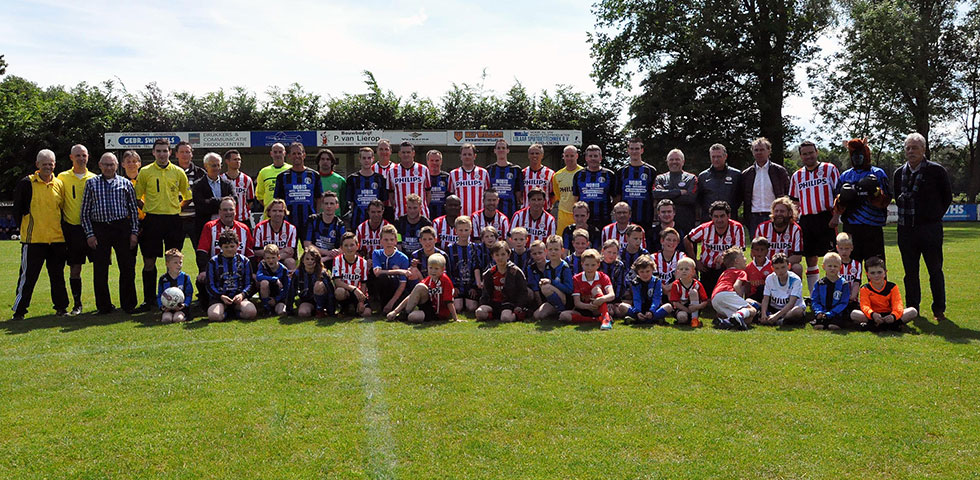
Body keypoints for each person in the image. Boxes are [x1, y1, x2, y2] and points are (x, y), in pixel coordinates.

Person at [894, 132, 952, 322]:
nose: (911, 151)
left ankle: (939, 310)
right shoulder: (898, 174)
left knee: (935, 270)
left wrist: (933, 216)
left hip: (930, 229)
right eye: (908, 148)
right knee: (910, 273)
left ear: (923, 149)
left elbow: (947, 197)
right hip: (906, 230)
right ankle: (913, 309)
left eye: (915, 148)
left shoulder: (936, 171)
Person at [11, 149, 69, 320]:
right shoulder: (26, 183)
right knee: (28, 277)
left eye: (50, 164)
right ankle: (19, 311)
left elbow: (62, 209)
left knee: (58, 277)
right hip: (33, 240)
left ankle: (61, 308)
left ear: (55, 165)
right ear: (37, 165)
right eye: (44, 164)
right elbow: (17, 211)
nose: (48, 167)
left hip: (57, 239)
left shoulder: (59, 184)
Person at [135, 138, 192, 311]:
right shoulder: (144, 172)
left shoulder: (178, 172)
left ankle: (175, 298)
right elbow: (137, 197)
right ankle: (149, 300)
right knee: (149, 261)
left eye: (164, 151)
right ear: (153, 153)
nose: (161, 154)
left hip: (173, 221)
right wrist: (150, 209)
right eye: (158, 151)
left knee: (174, 261)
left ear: (170, 152)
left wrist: (175, 208)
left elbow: (188, 197)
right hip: (152, 220)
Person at [80, 152, 140, 314]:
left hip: (122, 228)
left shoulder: (125, 183)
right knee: (100, 269)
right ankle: (104, 306)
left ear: (117, 165)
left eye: (111, 164)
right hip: (100, 229)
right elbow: (84, 212)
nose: (108, 167)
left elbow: (133, 211)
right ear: (100, 165)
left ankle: (128, 305)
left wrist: (134, 232)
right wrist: (90, 234)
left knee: (127, 268)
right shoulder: (91, 184)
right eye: (105, 164)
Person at [789, 141, 840, 295]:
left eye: (811, 152)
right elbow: (794, 202)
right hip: (806, 220)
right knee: (810, 258)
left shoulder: (829, 169)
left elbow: (839, 195)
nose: (808, 156)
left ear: (817, 152)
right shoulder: (797, 175)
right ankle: (814, 294)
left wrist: (836, 216)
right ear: (801, 156)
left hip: (826, 217)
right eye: (805, 154)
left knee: (832, 257)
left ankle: (835, 292)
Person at [835, 138, 891, 263]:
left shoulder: (878, 173)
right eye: (854, 155)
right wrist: (842, 199)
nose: (857, 158)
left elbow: (886, 200)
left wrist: (875, 193)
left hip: (873, 227)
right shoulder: (845, 176)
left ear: (866, 154)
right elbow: (837, 206)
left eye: (860, 154)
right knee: (851, 269)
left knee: (876, 268)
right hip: (851, 228)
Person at [57, 144, 96, 315]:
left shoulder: (94, 178)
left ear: (88, 157)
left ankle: (103, 303)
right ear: (71, 157)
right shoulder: (62, 177)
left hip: (94, 229)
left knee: (101, 266)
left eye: (84, 155)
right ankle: (77, 304)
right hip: (73, 229)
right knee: (75, 267)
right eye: (78, 155)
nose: (81, 158)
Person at [196, 197, 253, 306]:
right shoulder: (210, 227)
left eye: (231, 209)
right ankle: (208, 302)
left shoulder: (244, 229)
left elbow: (250, 254)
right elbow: (202, 252)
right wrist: (203, 270)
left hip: (239, 272)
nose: (228, 212)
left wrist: (253, 272)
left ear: (235, 211)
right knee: (202, 278)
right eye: (225, 210)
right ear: (219, 212)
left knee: (255, 278)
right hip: (217, 272)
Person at [684, 201, 745, 293]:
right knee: (707, 298)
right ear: (711, 217)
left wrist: (724, 257)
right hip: (707, 269)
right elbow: (687, 239)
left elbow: (739, 250)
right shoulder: (705, 228)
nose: (719, 220)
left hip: (727, 269)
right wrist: (695, 261)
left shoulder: (737, 228)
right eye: (716, 216)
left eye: (722, 216)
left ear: (728, 216)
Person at [387, 253, 458, 323]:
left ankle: (405, 315)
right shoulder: (429, 279)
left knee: (413, 317)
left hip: (439, 313)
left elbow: (449, 302)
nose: (433, 271)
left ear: (443, 269)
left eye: (436, 269)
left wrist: (455, 318)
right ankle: (404, 313)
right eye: (431, 268)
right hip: (429, 307)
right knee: (420, 286)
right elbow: (412, 295)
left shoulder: (445, 281)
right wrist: (395, 311)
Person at [850, 256, 917, 331]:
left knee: (913, 311)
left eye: (879, 272)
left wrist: (893, 316)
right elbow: (865, 306)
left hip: (890, 315)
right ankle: (893, 326)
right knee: (854, 314)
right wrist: (873, 314)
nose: (876, 276)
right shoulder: (864, 288)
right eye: (872, 273)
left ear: (885, 273)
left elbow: (897, 304)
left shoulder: (892, 287)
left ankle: (875, 326)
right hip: (873, 316)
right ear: (867, 274)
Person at [741, 137, 790, 238]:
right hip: (754, 217)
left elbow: (788, 192)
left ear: (769, 151)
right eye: (756, 150)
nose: (759, 152)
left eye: (762, 149)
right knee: (757, 250)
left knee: (777, 245)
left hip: (775, 215)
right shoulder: (746, 174)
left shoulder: (779, 171)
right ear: (753, 152)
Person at [205, 230, 257, 322]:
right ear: (220, 247)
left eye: (232, 246)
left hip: (239, 299)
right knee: (214, 316)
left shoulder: (244, 261)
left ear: (238, 245)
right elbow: (209, 284)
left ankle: (234, 312)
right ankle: (226, 312)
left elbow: (250, 283)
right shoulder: (213, 262)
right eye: (226, 247)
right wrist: (220, 296)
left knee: (251, 313)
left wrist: (242, 294)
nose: (229, 249)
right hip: (220, 298)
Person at [274, 142, 322, 236]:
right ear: (289, 156)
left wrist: (316, 215)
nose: (297, 156)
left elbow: (319, 197)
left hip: (309, 221)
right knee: (290, 250)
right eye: (294, 154)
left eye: (299, 153)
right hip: (289, 221)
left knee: (310, 249)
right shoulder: (282, 176)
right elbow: (278, 200)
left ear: (304, 155)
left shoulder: (314, 175)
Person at [560, 248, 615, 330]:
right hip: (583, 308)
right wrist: (589, 306)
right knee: (564, 316)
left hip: (598, 308)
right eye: (587, 265)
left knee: (596, 289)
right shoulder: (576, 279)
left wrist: (601, 299)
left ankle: (605, 320)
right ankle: (596, 320)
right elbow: (577, 303)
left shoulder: (603, 277)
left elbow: (612, 295)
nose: (590, 268)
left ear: (598, 265)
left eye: (593, 265)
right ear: (582, 264)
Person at [475, 241, 528, 322]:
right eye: (497, 255)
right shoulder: (489, 273)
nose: (500, 258)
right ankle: (495, 315)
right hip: (493, 303)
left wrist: (519, 306)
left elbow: (523, 291)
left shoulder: (515, 272)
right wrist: (483, 304)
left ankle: (517, 315)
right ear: (493, 256)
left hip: (508, 303)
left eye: (503, 254)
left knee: (505, 318)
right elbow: (485, 293)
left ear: (508, 255)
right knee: (479, 313)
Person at [754, 196, 803, 279]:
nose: (778, 214)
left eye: (782, 211)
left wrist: (780, 266)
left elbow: (797, 256)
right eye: (776, 211)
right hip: (765, 265)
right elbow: (755, 254)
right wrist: (770, 266)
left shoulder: (795, 229)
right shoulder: (762, 228)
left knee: (797, 268)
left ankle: (794, 291)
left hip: (786, 266)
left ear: (790, 213)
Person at [652, 149, 698, 236]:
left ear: (683, 161)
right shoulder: (660, 178)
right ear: (667, 161)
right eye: (671, 159)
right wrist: (679, 192)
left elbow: (690, 198)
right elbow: (656, 194)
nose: (674, 162)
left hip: (686, 223)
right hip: (664, 226)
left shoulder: (691, 178)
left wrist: (665, 194)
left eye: (677, 159)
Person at [709, 247, 757, 330]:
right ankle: (737, 316)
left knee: (748, 319)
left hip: (715, 298)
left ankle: (724, 321)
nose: (745, 259)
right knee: (752, 310)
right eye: (743, 256)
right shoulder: (741, 272)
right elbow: (736, 286)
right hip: (727, 293)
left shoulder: (724, 273)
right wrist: (740, 299)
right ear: (737, 261)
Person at [572, 145, 618, 229]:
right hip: (584, 220)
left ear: (600, 157)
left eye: (595, 156)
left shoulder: (609, 175)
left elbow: (616, 197)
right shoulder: (578, 175)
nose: (593, 158)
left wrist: (608, 209)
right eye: (590, 156)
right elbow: (576, 198)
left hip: (604, 219)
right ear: (586, 158)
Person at [191, 152, 234, 241]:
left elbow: (234, 201)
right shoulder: (198, 185)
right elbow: (201, 206)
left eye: (218, 165)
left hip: (226, 227)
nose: (217, 168)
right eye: (213, 165)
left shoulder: (227, 184)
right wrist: (223, 204)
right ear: (206, 166)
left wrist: (212, 201)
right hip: (204, 227)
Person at [617, 137, 657, 227]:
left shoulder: (651, 170)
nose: (634, 151)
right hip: (626, 218)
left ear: (642, 150)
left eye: (637, 149)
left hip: (645, 216)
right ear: (628, 150)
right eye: (631, 149)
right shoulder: (621, 171)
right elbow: (618, 195)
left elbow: (654, 194)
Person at [696, 143, 742, 223]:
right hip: (708, 220)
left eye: (719, 156)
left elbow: (740, 197)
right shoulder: (703, 176)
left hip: (730, 220)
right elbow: (700, 199)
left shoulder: (736, 175)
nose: (716, 159)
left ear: (725, 157)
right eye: (713, 157)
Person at [531, 236, 574, 320]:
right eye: (550, 249)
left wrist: (551, 282)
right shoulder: (547, 266)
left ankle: (561, 311)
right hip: (552, 300)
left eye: (556, 249)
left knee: (546, 287)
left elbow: (569, 289)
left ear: (562, 250)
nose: (553, 252)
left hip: (565, 299)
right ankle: (555, 310)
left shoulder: (565, 267)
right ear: (546, 251)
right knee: (537, 315)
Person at [758, 253, 806, 326]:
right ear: (772, 269)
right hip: (774, 308)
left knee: (798, 311)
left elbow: (791, 303)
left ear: (788, 266)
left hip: (790, 310)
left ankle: (779, 321)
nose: (780, 271)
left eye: (783, 267)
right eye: (777, 268)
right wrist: (763, 314)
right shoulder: (769, 278)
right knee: (749, 301)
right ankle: (767, 319)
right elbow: (765, 299)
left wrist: (776, 316)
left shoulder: (795, 280)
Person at [386, 142, 431, 219]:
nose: (406, 155)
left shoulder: (423, 169)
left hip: (422, 215)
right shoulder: (392, 171)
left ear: (413, 153)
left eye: (408, 152)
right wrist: (397, 207)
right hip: (400, 215)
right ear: (399, 154)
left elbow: (428, 193)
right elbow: (391, 194)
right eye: (403, 152)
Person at [347, 147, 389, 229]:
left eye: (369, 158)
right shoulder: (352, 179)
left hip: (376, 222)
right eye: (364, 158)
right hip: (357, 221)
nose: (366, 160)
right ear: (359, 159)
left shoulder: (380, 179)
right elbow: (351, 203)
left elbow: (383, 201)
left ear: (373, 159)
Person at [372, 224, 410, 314]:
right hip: (382, 288)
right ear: (381, 241)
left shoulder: (403, 258)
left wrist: (391, 303)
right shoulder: (377, 253)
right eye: (386, 240)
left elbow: (402, 284)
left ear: (396, 241)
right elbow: (377, 272)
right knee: (381, 277)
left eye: (392, 240)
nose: (389, 242)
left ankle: (391, 305)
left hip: (396, 290)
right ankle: (376, 302)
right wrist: (399, 271)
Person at [175, 141, 206, 246]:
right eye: (182, 152)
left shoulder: (201, 173)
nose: (185, 155)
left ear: (192, 154)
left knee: (200, 252)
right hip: (176, 220)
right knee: (174, 253)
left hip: (196, 219)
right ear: (176, 154)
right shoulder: (170, 172)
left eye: (187, 152)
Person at [333, 232, 372, 317]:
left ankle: (354, 308)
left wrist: (361, 301)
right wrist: (353, 288)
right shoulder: (337, 260)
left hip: (359, 293)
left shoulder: (363, 262)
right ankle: (344, 308)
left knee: (367, 313)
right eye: (346, 246)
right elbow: (337, 282)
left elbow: (364, 283)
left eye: (352, 245)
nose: (349, 248)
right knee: (339, 292)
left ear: (357, 246)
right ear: (341, 248)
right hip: (345, 291)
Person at [446, 216, 480, 313]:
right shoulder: (450, 248)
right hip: (457, 285)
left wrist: (474, 287)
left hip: (470, 285)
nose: (463, 233)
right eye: (460, 230)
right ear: (456, 231)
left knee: (472, 307)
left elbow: (477, 267)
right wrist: (453, 286)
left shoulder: (475, 248)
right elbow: (449, 269)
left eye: (466, 230)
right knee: (457, 308)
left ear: (470, 230)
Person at [625, 255, 673, 324]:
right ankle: (648, 318)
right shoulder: (635, 282)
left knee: (668, 306)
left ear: (652, 270)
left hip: (653, 309)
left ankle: (643, 319)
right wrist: (638, 312)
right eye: (642, 272)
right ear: (637, 272)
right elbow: (636, 298)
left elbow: (657, 298)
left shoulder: (657, 281)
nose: (645, 274)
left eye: (647, 271)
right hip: (640, 308)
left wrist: (651, 311)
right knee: (622, 307)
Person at [253, 198, 298, 270]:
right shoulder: (260, 228)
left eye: (280, 211)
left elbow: (290, 252)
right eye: (274, 211)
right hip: (265, 260)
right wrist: (276, 255)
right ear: (269, 212)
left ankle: (289, 281)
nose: (277, 214)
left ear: (284, 213)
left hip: (283, 259)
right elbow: (256, 251)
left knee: (291, 262)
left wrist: (274, 257)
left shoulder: (291, 228)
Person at [810, 252, 851, 330]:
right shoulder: (820, 283)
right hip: (822, 312)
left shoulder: (843, 284)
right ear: (823, 267)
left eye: (835, 266)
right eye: (829, 266)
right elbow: (815, 300)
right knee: (818, 327)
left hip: (837, 313)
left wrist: (831, 313)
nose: (832, 268)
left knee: (833, 327)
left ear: (840, 267)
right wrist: (819, 311)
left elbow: (843, 302)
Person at [304, 191, 345, 267]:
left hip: (331, 258)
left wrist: (327, 257)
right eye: (326, 203)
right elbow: (307, 244)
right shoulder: (312, 220)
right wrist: (326, 252)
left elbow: (343, 248)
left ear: (337, 206)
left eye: (332, 203)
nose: (329, 206)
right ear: (322, 205)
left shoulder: (339, 224)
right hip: (314, 256)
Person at [288, 249, 332, 317]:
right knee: (303, 313)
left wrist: (331, 310)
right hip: (307, 300)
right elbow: (292, 290)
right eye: (307, 259)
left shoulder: (322, 273)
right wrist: (289, 309)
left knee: (318, 285)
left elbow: (330, 291)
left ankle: (320, 310)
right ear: (303, 260)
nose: (310, 261)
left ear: (317, 261)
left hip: (323, 300)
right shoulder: (298, 273)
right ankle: (314, 310)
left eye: (312, 259)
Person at [448, 143, 490, 217]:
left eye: (469, 154)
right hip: (460, 216)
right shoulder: (453, 174)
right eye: (464, 154)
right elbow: (451, 196)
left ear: (475, 156)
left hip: (479, 217)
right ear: (460, 156)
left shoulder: (483, 172)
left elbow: (488, 195)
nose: (467, 157)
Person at [487, 139, 524, 217]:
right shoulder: (489, 170)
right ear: (495, 150)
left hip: (511, 210)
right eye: (498, 148)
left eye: (503, 148)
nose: (501, 150)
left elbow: (518, 194)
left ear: (507, 150)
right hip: (492, 211)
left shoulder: (516, 169)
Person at [552, 145, 584, 233]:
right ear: (563, 156)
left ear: (576, 156)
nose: (569, 158)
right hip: (563, 213)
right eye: (567, 156)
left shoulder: (583, 173)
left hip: (580, 214)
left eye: (572, 156)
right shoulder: (557, 175)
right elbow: (558, 195)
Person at [221, 149, 256, 228]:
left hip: (243, 219)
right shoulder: (221, 179)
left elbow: (250, 200)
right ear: (227, 161)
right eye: (235, 159)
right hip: (226, 220)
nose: (238, 162)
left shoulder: (247, 179)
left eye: (239, 159)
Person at [668, 257, 707, 327]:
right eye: (681, 269)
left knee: (693, 292)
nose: (684, 271)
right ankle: (686, 319)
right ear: (677, 272)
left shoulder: (697, 284)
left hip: (695, 308)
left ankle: (694, 319)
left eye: (686, 269)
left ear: (693, 272)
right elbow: (675, 303)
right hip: (682, 308)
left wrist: (697, 306)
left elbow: (705, 301)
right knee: (682, 318)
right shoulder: (676, 285)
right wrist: (687, 310)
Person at [157, 248, 193, 323]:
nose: (179, 265)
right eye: (175, 263)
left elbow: (189, 294)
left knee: (177, 319)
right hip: (168, 308)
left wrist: (185, 304)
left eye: (180, 262)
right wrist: (162, 306)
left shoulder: (185, 277)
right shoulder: (163, 279)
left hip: (181, 308)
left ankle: (185, 316)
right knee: (166, 319)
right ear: (167, 264)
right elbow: (160, 294)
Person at [254, 143, 289, 217]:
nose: (278, 154)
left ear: (284, 153)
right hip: (268, 217)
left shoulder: (290, 170)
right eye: (275, 152)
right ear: (271, 154)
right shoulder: (264, 172)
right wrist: (270, 207)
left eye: (280, 152)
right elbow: (259, 196)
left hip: (287, 214)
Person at [652, 227, 686, 303]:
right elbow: (654, 278)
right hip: (658, 290)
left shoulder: (681, 256)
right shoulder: (653, 258)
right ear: (662, 241)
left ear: (678, 243)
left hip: (675, 290)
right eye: (668, 240)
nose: (671, 243)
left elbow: (683, 275)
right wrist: (665, 289)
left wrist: (669, 288)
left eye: (674, 240)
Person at [256, 244, 290, 316]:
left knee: (282, 312)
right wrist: (274, 279)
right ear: (264, 258)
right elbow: (258, 277)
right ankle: (266, 308)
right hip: (267, 295)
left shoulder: (283, 270)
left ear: (278, 257)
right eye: (268, 258)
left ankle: (276, 307)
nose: (270, 260)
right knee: (264, 283)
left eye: (273, 258)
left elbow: (287, 289)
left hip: (279, 297)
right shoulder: (263, 265)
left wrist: (276, 299)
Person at [599, 240, 629, 318]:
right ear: (603, 251)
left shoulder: (619, 265)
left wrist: (615, 301)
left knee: (619, 311)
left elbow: (621, 284)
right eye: (609, 252)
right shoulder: (598, 264)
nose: (611, 255)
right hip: (601, 297)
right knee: (608, 311)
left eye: (614, 253)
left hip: (615, 298)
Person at [836, 232, 863, 316]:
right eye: (841, 248)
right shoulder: (834, 263)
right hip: (837, 299)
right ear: (837, 248)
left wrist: (852, 296)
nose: (844, 251)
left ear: (852, 248)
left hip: (852, 300)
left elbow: (856, 282)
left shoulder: (857, 264)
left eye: (847, 248)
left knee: (855, 314)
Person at [523, 143, 554, 210]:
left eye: (537, 153)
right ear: (528, 155)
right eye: (532, 153)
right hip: (526, 212)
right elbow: (519, 195)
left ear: (542, 155)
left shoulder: (550, 173)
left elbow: (554, 194)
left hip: (545, 211)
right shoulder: (523, 173)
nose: (534, 155)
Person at [317, 149, 347, 217]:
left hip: (336, 217)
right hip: (319, 218)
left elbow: (343, 202)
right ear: (318, 161)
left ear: (332, 162)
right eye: (322, 159)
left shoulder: (340, 180)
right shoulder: (314, 178)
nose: (325, 161)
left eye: (328, 159)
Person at [744, 237, 773, 302]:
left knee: (761, 288)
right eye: (757, 250)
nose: (759, 252)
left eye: (762, 249)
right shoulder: (748, 268)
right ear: (752, 251)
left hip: (769, 297)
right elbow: (747, 287)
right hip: (753, 298)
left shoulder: (772, 266)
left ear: (767, 251)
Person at [427, 150, 451, 219]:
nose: (434, 163)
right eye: (432, 160)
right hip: (427, 215)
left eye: (437, 160)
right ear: (427, 162)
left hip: (443, 216)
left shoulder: (447, 177)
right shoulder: (423, 177)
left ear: (441, 161)